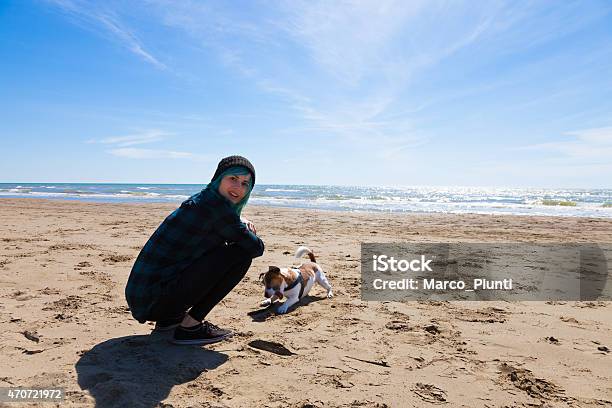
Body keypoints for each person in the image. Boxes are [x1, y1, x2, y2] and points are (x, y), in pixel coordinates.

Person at [125, 155, 264, 345]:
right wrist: (242, 226)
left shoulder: (204, 200)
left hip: (144, 297)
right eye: (233, 179)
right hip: (152, 301)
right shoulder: (217, 209)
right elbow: (256, 248)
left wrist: (238, 221)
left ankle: (170, 320)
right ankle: (190, 326)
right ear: (219, 178)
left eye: (245, 183)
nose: (238, 188)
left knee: (220, 252)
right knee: (241, 255)